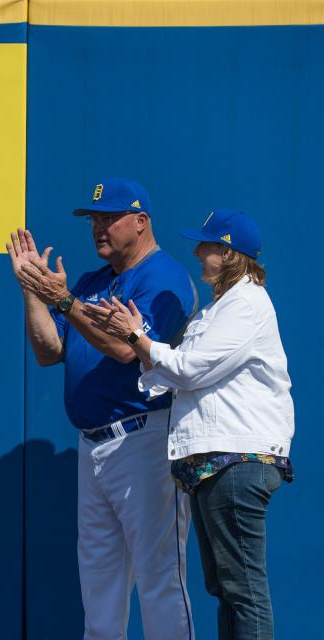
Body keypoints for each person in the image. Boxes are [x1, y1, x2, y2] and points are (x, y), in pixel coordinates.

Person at [83, 209, 294, 640]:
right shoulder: (217, 309)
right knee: (226, 586)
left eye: (208, 245)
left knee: (242, 587)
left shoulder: (247, 303)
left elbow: (190, 370)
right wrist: (140, 340)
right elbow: (170, 373)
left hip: (236, 460)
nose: (198, 252)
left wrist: (134, 338)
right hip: (212, 462)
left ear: (229, 253)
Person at [10, 177, 198, 640]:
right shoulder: (95, 281)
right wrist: (34, 291)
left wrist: (64, 300)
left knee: (160, 580)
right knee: (99, 585)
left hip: (145, 437)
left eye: (109, 218)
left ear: (141, 222)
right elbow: (49, 350)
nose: (99, 227)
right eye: (94, 219)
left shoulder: (164, 278)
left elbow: (124, 349)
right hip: (93, 446)